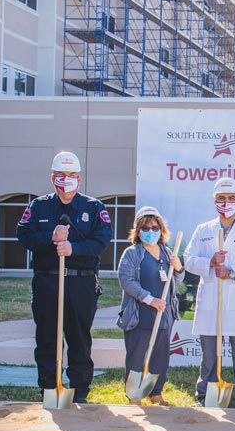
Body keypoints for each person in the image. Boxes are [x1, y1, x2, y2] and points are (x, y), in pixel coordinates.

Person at [16, 151, 111, 404]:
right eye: (60, 175)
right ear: (52, 177)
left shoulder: (93, 207)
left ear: (79, 179)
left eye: (71, 175)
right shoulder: (39, 206)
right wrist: (50, 236)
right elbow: (23, 235)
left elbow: (102, 241)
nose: (66, 179)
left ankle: (79, 391)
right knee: (47, 336)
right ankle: (49, 387)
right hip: (48, 280)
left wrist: (74, 249)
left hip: (81, 282)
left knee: (79, 336)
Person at [184, 177, 235, 408]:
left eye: (231, 198)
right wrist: (209, 262)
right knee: (209, 356)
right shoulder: (203, 231)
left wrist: (232, 272)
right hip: (211, 301)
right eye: (222, 198)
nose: (226, 202)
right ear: (214, 201)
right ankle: (205, 394)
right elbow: (188, 260)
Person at [117, 206, 184, 405]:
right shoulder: (132, 253)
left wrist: (179, 268)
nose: (150, 231)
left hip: (163, 314)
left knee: (161, 356)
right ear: (138, 231)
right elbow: (126, 281)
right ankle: (134, 395)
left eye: (155, 227)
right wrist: (149, 299)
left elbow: (175, 281)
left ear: (161, 229)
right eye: (145, 228)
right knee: (136, 356)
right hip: (140, 313)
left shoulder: (166, 252)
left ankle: (156, 392)